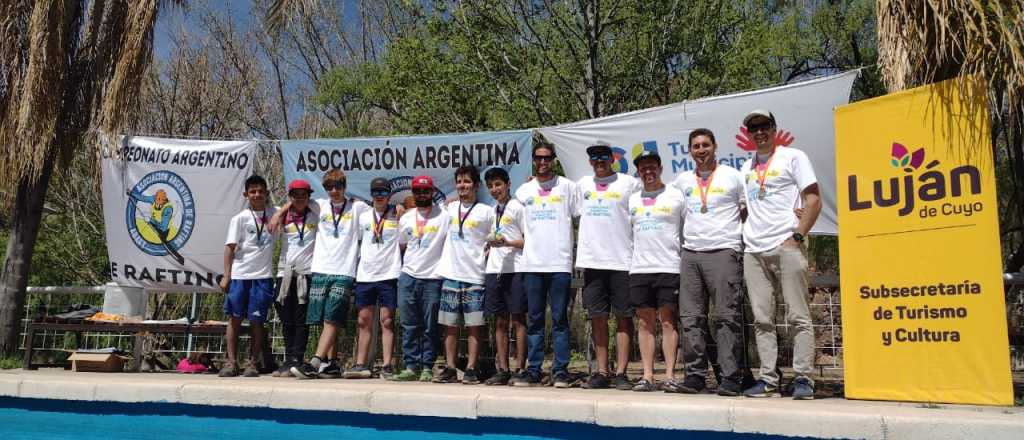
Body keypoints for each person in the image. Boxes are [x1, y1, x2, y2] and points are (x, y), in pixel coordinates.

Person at [738, 109, 821, 400]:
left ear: (774, 128)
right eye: (754, 128)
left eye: (764, 126)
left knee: (798, 315)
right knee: (762, 319)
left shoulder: (793, 156)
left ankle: (804, 379)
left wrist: (797, 236)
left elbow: (813, 198)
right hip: (754, 250)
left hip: (786, 246)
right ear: (749, 134)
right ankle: (769, 380)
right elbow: (748, 206)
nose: (759, 132)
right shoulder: (745, 168)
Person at [672, 129, 747, 396]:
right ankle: (695, 376)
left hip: (724, 251)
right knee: (692, 318)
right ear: (689, 151)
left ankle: (730, 377)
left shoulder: (733, 176)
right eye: (695, 146)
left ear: (715, 146)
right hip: (691, 253)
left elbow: (748, 209)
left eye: (705, 145)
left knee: (727, 317)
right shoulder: (681, 181)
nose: (701, 149)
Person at [512, 143, 580, 388]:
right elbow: (511, 222)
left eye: (547, 158)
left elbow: (585, 215)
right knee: (535, 320)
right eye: (538, 158)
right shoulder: (523, 191)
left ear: (553, 160)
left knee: (560, 319)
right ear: (533, 160)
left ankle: (560, 370)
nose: (542, 162)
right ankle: (533, 369)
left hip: (560, 263)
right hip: (532, 264)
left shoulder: (568, 187)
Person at [575, 140, 640, 390]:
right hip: (592, 262)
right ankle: (602, 371)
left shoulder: (629, 183)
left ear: (612, 159)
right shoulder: (582, 185)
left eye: (604, 158)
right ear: (590, 162)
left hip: (623, 260)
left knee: (624, 317)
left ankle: (622, 372)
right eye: (595, 158)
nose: (599, 162)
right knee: (598, 318)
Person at [291, 169, 368, 379]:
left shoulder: (357, 207)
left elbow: (380, 210)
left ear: (345, 186)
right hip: (321, 268)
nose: (334, 191)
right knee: (325, 318)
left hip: (344, 270)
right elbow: (294, 203)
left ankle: (315, 362)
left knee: (333, 317)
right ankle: (332, 363)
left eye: (338, 186)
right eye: (329, 187)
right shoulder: (319, 205)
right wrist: (277, 216)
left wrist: (398, 208)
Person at [626, 151, 684, 392]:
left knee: (668, 322)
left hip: (669, 266)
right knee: (644, 323)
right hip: (639, 268)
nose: (647, 171)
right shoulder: (632, 199)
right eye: (642, 168)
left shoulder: (676, 195)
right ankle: (648, 375)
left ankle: (670, 374)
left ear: (660, 168)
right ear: (638, 172)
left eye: (652, 167)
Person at [434, 165, 495, 384]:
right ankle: (450, 367)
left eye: (467, 181)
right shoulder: (448, 208)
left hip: (475, 275)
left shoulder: (487, 211)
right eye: (459, 181)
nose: (462, 185)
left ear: (476, 185)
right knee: (450, 325)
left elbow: (496, 237)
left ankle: (471, 368)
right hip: (451, 273)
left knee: (474, 326)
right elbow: (422, 214)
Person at [219, 175, 278, 377]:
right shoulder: (240, 218)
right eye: (252, 191)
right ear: (246, 195)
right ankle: (231, 362)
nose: (257, 194)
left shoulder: (274, 213)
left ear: (266, 193)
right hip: (240, 275)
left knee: (257, 321)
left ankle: (252, 362)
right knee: (234, 319)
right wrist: (226, 276)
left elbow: (292, 206)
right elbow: (229, 248)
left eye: (261, 191)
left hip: (262, 276)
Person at [393, 176, 451, 382]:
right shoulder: (407, 217)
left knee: (430, 326)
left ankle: (427, 366)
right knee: (409, 324)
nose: (422, 195)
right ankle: (411, 366)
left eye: (426, 191)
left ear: (433, 192)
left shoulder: (445, 215)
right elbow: (402, 244)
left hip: (433, 277)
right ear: (413, 193)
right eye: (418, 191)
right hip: (408, 275)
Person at [349, 177, 402, 379]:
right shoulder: (362, 216)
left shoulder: (398, 215)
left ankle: (387, 365)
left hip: (389, 274)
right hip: (365, 275)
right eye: (375, 192)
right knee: (363, 321)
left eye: (383, 192)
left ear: (389, 194)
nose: (379, 196)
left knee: (387, 321)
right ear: (371, 195)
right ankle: (361, 363)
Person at [267, 179, 319, 377]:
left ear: (308, 197)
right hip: (285, 273)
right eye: (295, 195)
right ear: (289, 197)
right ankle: (288, 359)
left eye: (303, 195)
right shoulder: (281, 215)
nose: (299, 199)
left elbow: (317, 205)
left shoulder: (315, 212)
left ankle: (297, 359)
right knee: (285, 318)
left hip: (305, 274)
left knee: (301, 320)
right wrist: (284, 209)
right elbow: (271, 222)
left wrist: (294, 203)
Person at [482, 167, 527, 386]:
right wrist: (489, 247)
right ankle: (503, 368)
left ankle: (520, 368)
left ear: (508, 184)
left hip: (516, 269)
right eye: (490, 186)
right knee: (499, 321)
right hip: (494, 269)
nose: (494, 190)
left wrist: (507, 243)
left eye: (498, 185)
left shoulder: (518, 207)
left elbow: (528, 240)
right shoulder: (493, 210)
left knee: (518, 320)